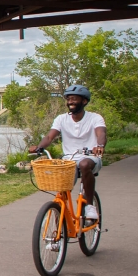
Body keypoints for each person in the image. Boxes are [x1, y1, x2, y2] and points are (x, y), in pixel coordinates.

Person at [29, 85, 107, 221]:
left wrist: (99, 146)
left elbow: (101, 133)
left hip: (91, 157)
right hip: (69, 160)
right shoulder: (61, 119)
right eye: (69, 99)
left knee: (84, 164)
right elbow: (49, 137)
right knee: (62, 192)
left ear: (84, 101)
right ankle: (58, 229)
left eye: (74, 99)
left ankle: (89, 206)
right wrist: (39, 147)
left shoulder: (95, 118)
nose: (70, 102)